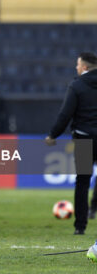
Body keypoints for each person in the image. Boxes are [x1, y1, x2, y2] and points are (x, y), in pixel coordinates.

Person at [46, 52, 97, 235]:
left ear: (84, 67)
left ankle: (80, 227)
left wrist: (53, 135)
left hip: (84, 139)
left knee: (82, 182)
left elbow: (65, 114)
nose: (76, 68)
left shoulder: (76, 85)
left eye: (77, 65)